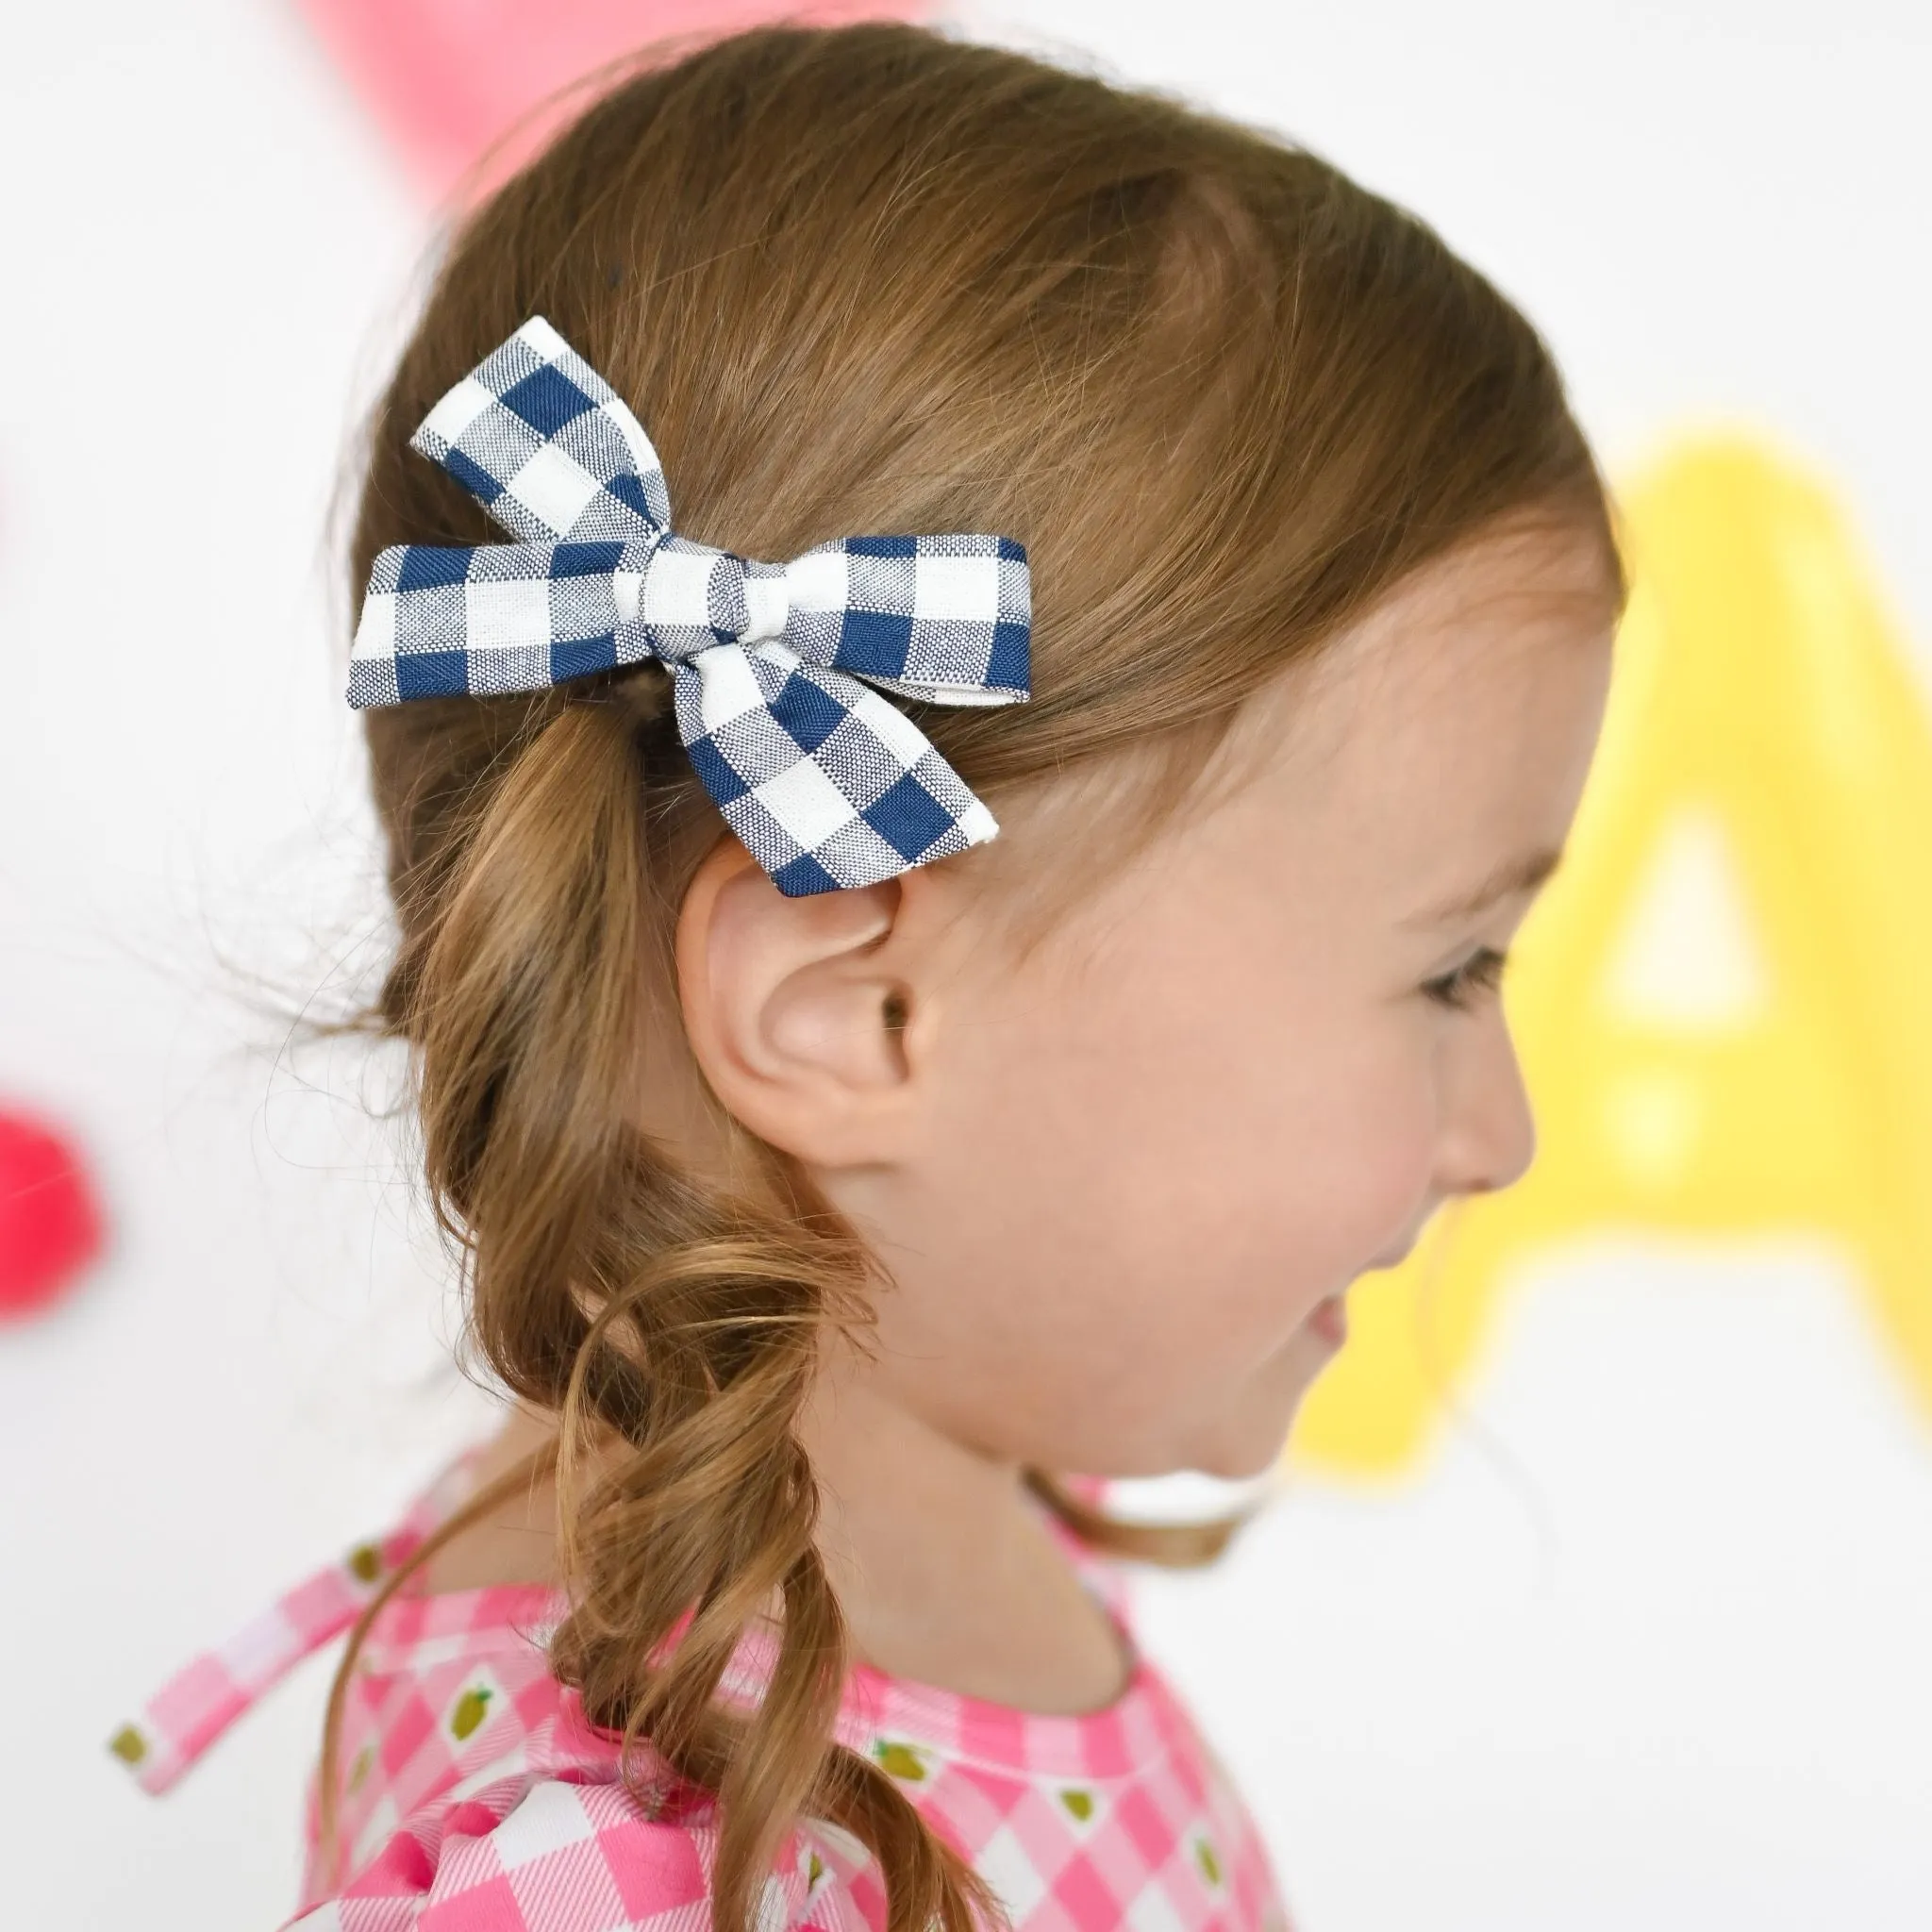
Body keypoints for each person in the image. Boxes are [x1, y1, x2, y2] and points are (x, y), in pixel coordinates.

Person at [108, 20, 1624, 1931]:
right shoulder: (628, 1878)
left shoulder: (918, 1491)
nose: (1501, 1131)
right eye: (1451, 967)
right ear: (850, 1007)